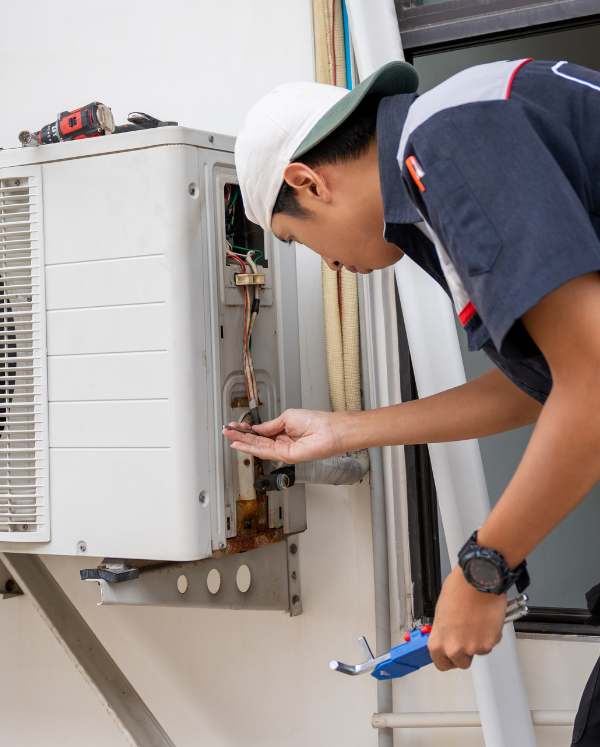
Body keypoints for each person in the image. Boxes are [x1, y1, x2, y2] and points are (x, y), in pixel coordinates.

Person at [225, 58, 600, 743]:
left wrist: (483, 568)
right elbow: (548, 381)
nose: (329, 265)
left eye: (297, 239)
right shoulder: (442, 149)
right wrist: (345, 430)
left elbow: (594, 384)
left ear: (308, 182)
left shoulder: (450, 140)